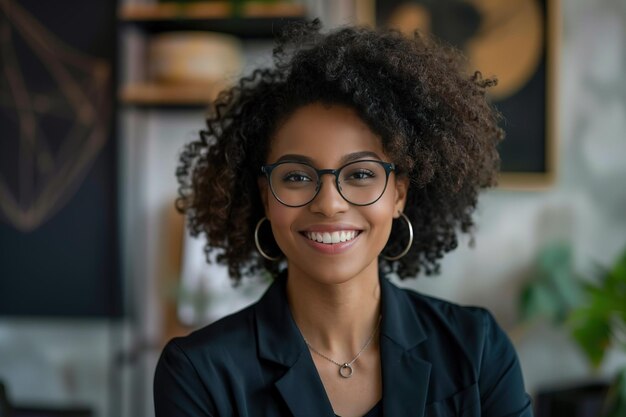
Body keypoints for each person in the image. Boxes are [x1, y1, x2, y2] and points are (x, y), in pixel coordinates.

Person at [154, 19, 533, 417]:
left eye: (361, 174)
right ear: (266, 197)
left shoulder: (477, 351)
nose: (330, 203)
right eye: (297, 176)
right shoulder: (199, 373)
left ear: (399, 193)